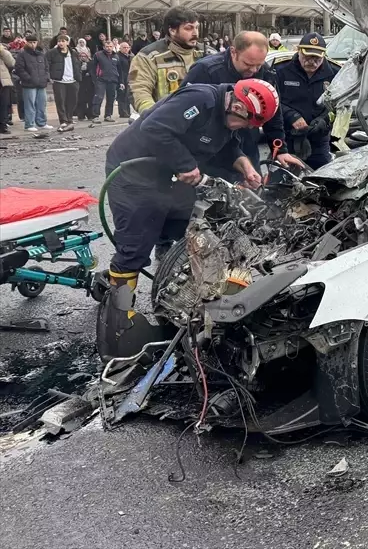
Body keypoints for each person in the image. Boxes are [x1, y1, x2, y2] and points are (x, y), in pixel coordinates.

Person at [98, 79, 276, 361]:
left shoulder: (228, 115)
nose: (246, 128)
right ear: (238, 105)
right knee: (135, 245)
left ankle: (187, 299)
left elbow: (227, 143)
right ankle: (120, 321)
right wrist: (185, 165)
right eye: (246, 123)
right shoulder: (200, 100)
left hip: (165, 176)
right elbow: (154, 128)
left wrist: (243, 164)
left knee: (197, 225)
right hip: (133, 174)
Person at [184, 31, 300, 172]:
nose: (253, 70)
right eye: (248, 64)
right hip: (209, 153)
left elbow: (273, 114)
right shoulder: (205, 70)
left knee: (254, 188)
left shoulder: (265, 72)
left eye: (258, 65)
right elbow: (184, 111)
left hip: (248, 147)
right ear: (233, 52)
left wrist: (280, 150)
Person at [276, 32, 338, 169]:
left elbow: (340, 105)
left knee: (322, 180)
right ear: (299, 51)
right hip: (287, 138)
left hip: (319, 140)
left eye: (317, 58)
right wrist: (291, 116)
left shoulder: (335, 73)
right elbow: (272, 103)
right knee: (283, 182)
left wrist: (325, 119)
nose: (312, 62)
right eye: (307, 57)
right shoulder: (281, 70)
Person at [129, 7, 202, 114]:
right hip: (167, 122)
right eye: (189, 28)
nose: (195, 33)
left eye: (196, 27)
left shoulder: (208, 54)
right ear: (172, 30)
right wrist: (154, 116)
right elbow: (139, 89)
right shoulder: (148, 57)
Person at [12, 34, 50, 133]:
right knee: (30, 105)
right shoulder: (22, 54)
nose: (32, 44)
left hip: (41, 83)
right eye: (30, 42)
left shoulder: (41, 54)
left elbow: (46, 67)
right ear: (27, 43)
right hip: (29, 83)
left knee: (42, 104)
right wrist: (28, 78)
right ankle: (29, 124)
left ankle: (41, 122)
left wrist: (46, 77)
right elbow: (19, 68)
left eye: (34, 42)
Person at [47, 34, 82, 132]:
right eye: (59, 41)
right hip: (59, 81)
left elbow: (78, 64)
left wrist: (78, 75)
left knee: (72, 101)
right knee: (60, 101)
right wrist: (50, 77)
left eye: (63, 41)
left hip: (73, 80)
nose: (61, 43)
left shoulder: (73, 52)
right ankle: (63, 120)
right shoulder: (52, 53)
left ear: (67, 42)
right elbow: (47, 64)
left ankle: (69, 119)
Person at [90, 41, 120, 124]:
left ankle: (108, 115)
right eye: (107, 46)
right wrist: (95, 79)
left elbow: (119, 69)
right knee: (98, 97)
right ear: (104, 47)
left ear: (113, 46)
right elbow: (93, 68)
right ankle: (95, 116)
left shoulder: (116, 56)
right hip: (101, 80)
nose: (109, 48)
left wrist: (119, 80)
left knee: (111, 98)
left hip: (113, 80)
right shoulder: (98, 55)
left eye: (110, 46)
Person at [74, 47, 95, 122]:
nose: (83, 57)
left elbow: (94, 71)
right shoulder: (77, 63)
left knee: (91, 100)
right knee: (81, 100)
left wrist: (89, 72)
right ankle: (81, 115)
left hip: (90, 83)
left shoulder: (91, 62)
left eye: (84, 56)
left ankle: (91, 115)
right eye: (81, 56)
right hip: (81, 83)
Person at [0, 40, 15, 137]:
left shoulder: (2, 51)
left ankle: (2, 125)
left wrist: (3, 51)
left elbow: (11, 63)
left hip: (2, 81)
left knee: (3, 104)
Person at [116, 41, 133, 119]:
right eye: (124, 47)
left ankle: (127, 111)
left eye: (127, 47)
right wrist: (121, 81)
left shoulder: (130, 56)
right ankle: (123, 112)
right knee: (122, 96)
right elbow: (119, 69)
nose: (126, 49)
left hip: (129, 78)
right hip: (121, 78)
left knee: (128, 96)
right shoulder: (118, 56)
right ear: (120, 48)